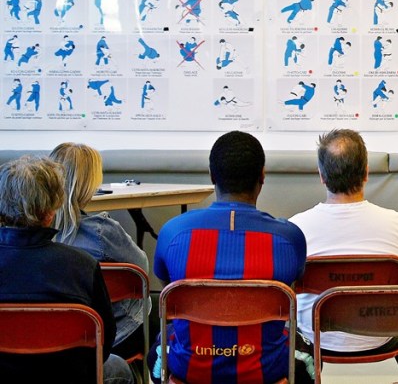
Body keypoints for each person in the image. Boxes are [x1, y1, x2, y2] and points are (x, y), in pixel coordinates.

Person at [151, 131, 309, 384]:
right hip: (267, 370)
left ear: (212, 176)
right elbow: (293, 288)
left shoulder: (173, 232)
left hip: (189, 370)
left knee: (159, 344)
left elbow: (168, 296)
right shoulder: (289, 238)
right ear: (262, 177)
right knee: (305, 349)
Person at [289, 129, 398, 383]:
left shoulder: (296, 229)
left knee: (285, 324)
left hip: (315, 337)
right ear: (366, 172)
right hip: (384, 334)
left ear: (322, 176)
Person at [0, 156, 133, 384]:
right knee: (119, 367)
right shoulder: (82, 265)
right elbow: (104, 341)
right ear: (51, 210)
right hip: (67, 374)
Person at [48, 143, 150, 362]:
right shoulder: (102, 231)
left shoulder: (31, 236)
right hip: (113, 338)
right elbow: (142, 272)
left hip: (48, 339)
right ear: (90, 183)